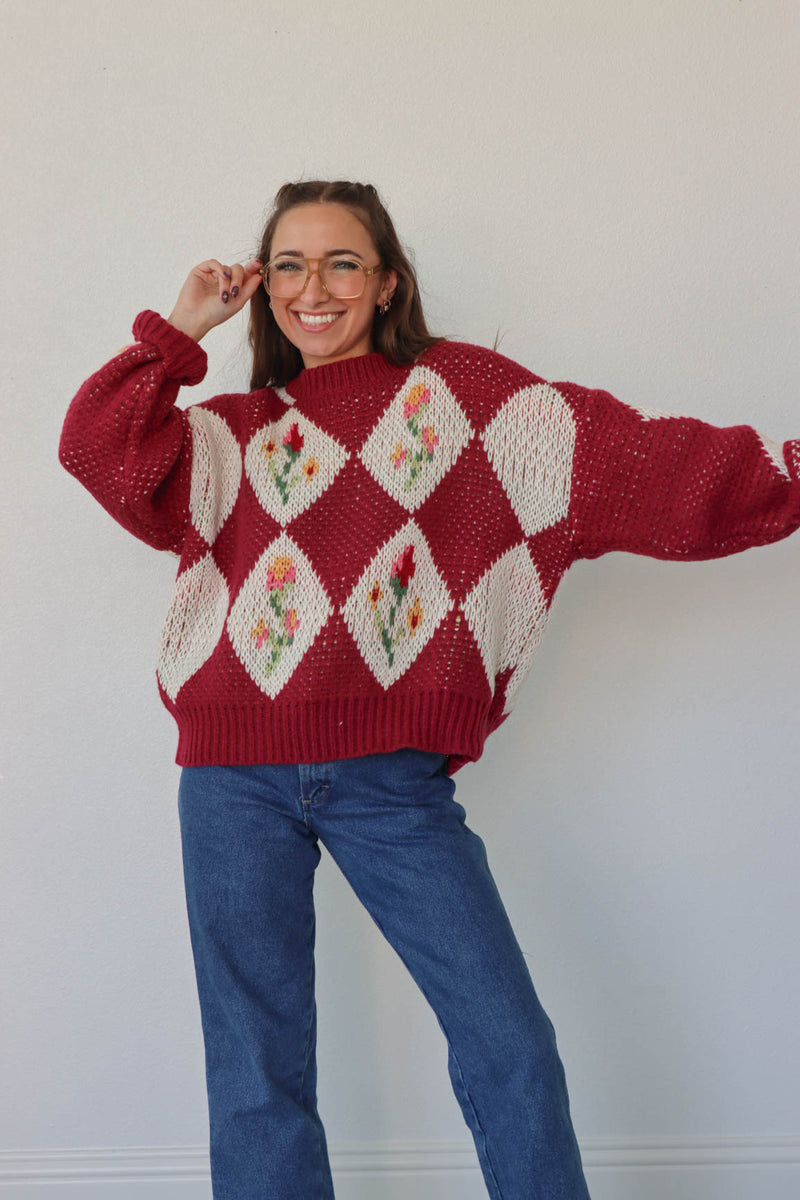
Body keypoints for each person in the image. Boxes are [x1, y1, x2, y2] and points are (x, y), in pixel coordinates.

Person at [59, 180, 800, 1200]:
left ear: (387, 281)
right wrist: (180, 330)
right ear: (262, 286)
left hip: (387, 783)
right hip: (228, 780)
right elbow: (97, 450)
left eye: (340, 263)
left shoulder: (471, 403)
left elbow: (648, 469)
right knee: (255, 1075)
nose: (310, 287)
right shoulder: (227, 435)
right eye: (287, 265)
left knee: (508, 1047)